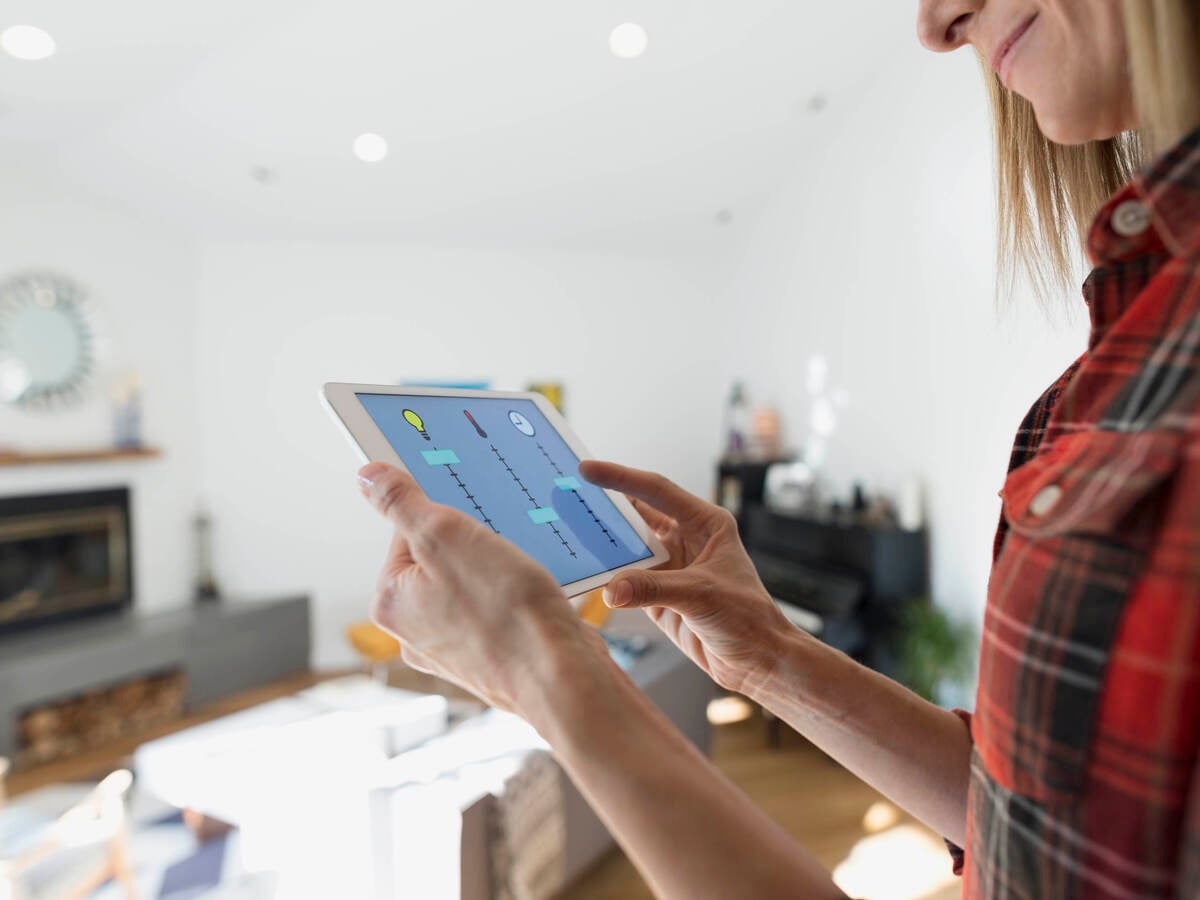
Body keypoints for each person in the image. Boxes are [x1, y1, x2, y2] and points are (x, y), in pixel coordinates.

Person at [355, 1, 1200, 896]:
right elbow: (1039, 818)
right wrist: (768, 653)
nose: (937, 23)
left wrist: (550, 675)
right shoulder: (1088, 388)